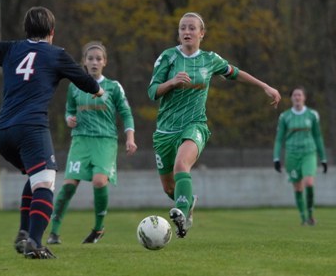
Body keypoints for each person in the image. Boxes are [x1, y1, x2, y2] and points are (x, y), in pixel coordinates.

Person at [0, 6, 104, 259]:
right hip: (30, 129)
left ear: (26, 29)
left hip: (2, 132)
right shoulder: (57, 55)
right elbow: (89, 84)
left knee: (36, 177)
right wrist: (99, 91)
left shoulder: (11, 48)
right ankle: (35, 243)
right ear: (52, 32)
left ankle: (25, 233)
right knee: (45, 183)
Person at [147, 12, 281, 238]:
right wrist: (171, 82)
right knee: (169, 188)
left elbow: (235, 73)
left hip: (194, 125)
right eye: (182, 28)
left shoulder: (210, 60)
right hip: (165, 131)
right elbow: (152, 92)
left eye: (191, 28)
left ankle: (180, 213)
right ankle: (188, 202)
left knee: (182, 165)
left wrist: (264, 86)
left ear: (202, 33)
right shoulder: (168, 57)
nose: (187, 32)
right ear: (179, 33)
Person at [46, 41, 137, 245]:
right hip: (81, 141)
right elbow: (69, 110)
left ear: (104, 62)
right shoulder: (74, 86)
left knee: (99, 181)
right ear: (84, 62)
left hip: (105, 141)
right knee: (68, 186)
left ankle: (98, 228)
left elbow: (126, 114)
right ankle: (54, 232)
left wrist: (130, 138)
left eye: (98, 58)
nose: (94, 62)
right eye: (90, 58)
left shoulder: (113, 87)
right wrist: (69, 119)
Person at [273, 86, 327, 226]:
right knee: (297, 187)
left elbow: (317, 136)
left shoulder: (312, 115)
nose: (297, 97)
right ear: (291, 98)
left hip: (309, 152)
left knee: (309, 182)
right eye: (294, 95)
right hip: (292, 154)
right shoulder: (285, 116)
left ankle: (310, 213)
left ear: (304, 98)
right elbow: (279, 139)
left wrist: (323, 157)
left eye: (299, 95)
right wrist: (276, 158)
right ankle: (303, 217)